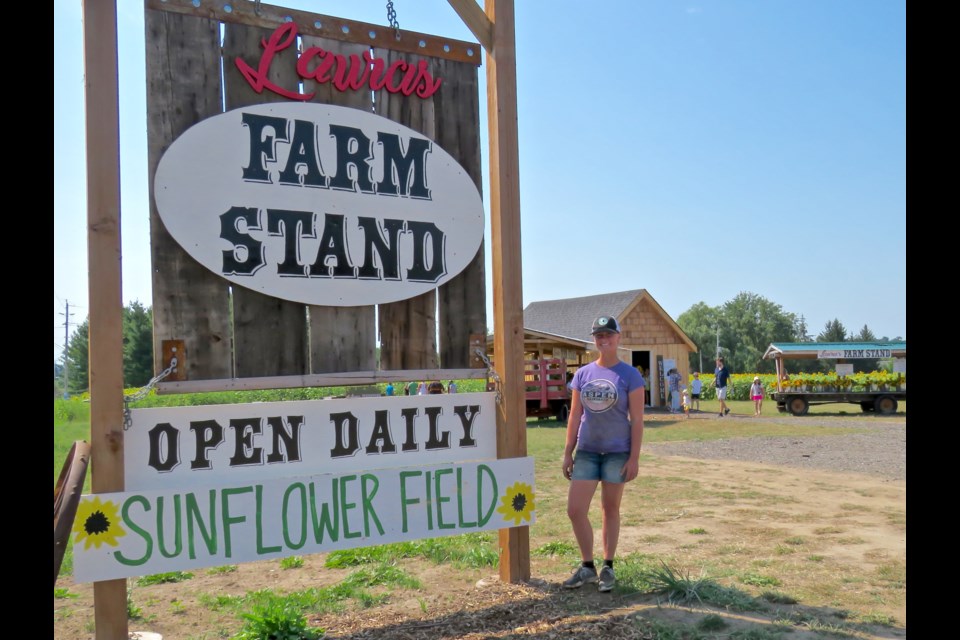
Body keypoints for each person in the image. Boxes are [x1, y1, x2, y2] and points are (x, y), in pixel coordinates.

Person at [561, 315, 645, 593]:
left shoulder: (630, 375)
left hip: (616, 453)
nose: (603, 339)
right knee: (575, 510)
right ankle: (587, 567)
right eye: (599, 335)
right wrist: (567, 452)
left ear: (618, 338)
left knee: (610, 509)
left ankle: (608, 566)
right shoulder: (583, 374)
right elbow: (574, 415)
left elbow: (638, 420)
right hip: (586, 451)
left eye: (608, 334)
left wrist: (634, 458)